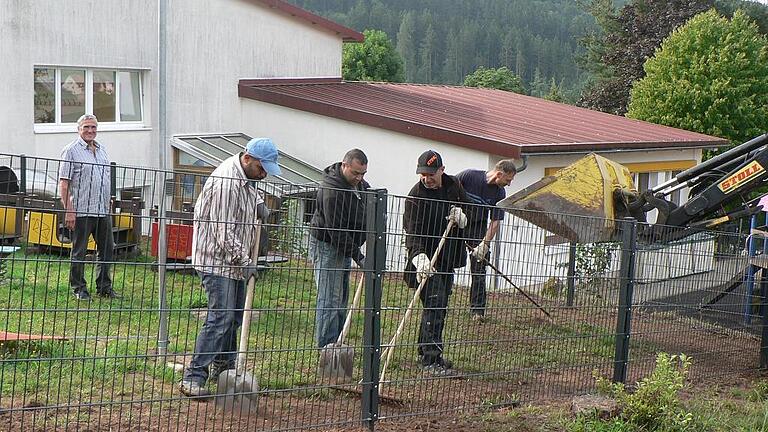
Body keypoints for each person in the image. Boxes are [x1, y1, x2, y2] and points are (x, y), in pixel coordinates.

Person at [179, 137, 282, 398]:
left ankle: (224, 368)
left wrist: (258, 201)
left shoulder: (246, 176)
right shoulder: (228, 181)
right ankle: (193, 377)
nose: (264, 174)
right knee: (221, 317)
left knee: (234, 317)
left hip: (232, 261)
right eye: (262, 168)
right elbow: (223, 232)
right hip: (216, 260)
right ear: (247, 158)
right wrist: (246, 262)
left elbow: (251, 186)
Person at [403, 150, 468, 376]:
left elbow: (469, 208)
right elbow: (411, 233)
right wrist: (420, 259)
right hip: (425, 261)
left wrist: (462, 216)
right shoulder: (415, 196)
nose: (426, 179)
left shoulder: (454, 187)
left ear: (441, 170)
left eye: (431, 174)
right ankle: (431, 360)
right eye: (422, 174)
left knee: (439, 304)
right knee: (435, 303)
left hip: (446, 257)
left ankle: (426, 352)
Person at [309, 149, 370, 348]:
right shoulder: (332, 192)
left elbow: (367, 200)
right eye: (355, 173)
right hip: (328, 245)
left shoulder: (358, 185)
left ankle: (338, 341)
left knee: (341, 296)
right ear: (344, 166)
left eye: (363, 173)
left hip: (344, 245)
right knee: (329, 298)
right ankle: (327, 346)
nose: (359, 178)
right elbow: (337, 231)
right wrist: (359, 257)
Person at [59, 114, 118, 301]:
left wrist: (108, 200)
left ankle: (104, 287)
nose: (90, 131)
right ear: (79, 129)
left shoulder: (102, 150)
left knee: (107, 250)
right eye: (86, 127)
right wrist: (69, 210)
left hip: (102, 210)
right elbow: (64, 184)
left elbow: (104, 178)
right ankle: (79, 289)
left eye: (93, 127)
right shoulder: (71, 151)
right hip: (82, 211)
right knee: (80, 252)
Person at [456, 159, 518, 321]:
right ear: (499, 174)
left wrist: (484, 244)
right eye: (508, 180)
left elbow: (495, 221)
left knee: (479, 268)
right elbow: (448, 188)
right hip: (455, 222)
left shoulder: (499, 193)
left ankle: (478, 311)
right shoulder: (469, 176)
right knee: (446, 261)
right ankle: (439, 301)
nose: (509, 184)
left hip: (477, 228)